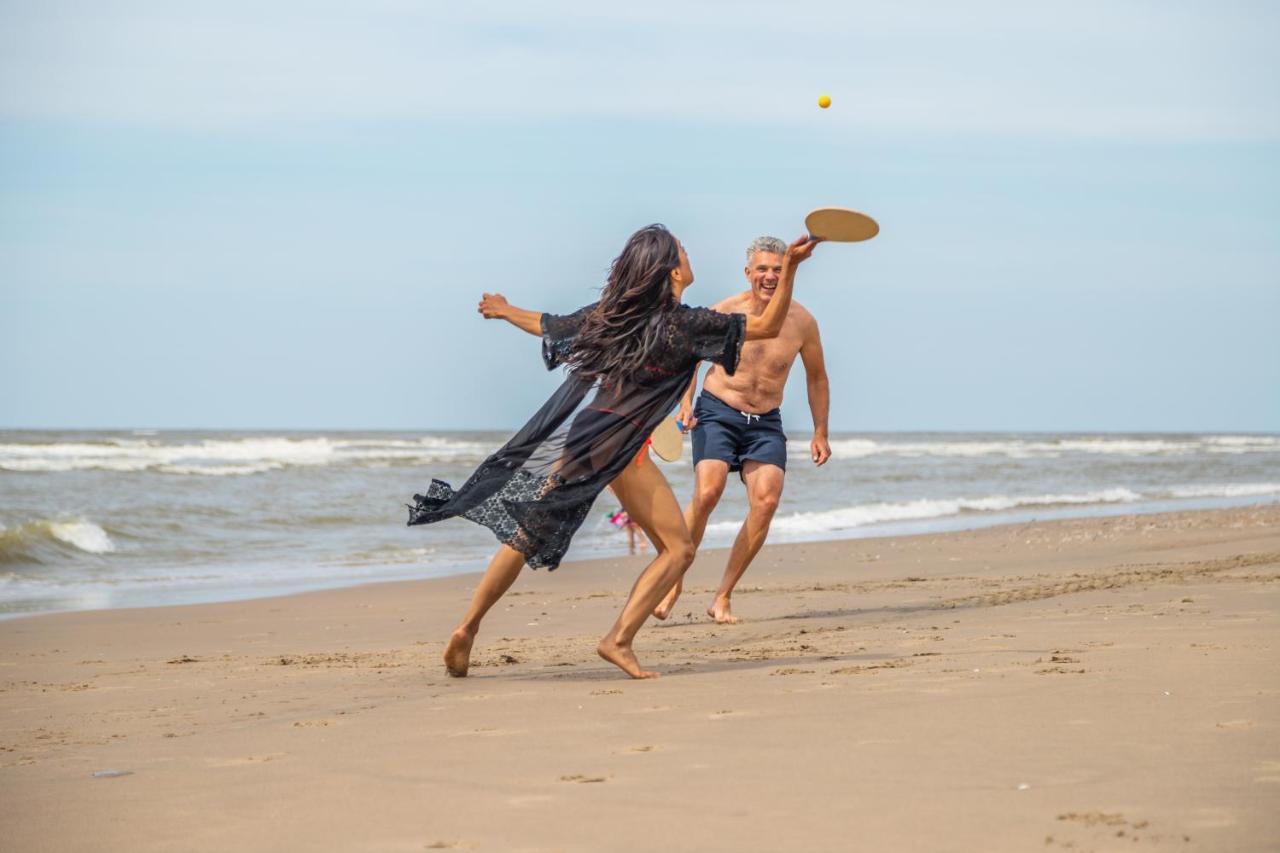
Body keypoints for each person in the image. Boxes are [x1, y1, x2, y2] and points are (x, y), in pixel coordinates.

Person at [407, 225, 820, 678]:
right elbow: (766, 325)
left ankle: (467, 628)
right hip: (623, 445)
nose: (688, 254)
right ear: (672, 271)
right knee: (679, 551)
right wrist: (792, 270)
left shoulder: (616, 314)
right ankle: (618, 640)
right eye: (682, 251)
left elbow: (549, 324)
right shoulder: (685, 325)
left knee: (529, 531)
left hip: (588, 435)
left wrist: (505, 311)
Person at [654, 235, 831, 624]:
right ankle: (672, 579)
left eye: (778, 270)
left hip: (765, 421)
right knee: (708, 491)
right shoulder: (726, 311)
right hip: (718, 411)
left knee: (766, 502)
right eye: (763, 269)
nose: (770, 276)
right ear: (748, 273)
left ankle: (722, 596)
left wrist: (821, 431)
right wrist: (684, 402)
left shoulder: (802, 321)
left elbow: (817, 378)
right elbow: (690, 360)